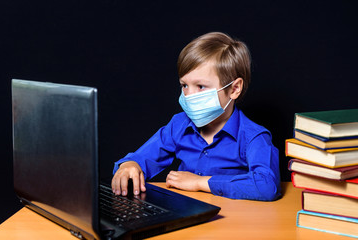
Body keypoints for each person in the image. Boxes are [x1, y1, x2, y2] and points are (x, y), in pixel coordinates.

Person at [111, 32, 281, 201]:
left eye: (200, 86)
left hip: (232, 221)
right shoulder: (179, 125)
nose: (189, 95)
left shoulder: (253, 137)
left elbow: (267, 185)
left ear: (234, 89)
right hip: (187, 216)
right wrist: (129, 165)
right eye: (184, 85)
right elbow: (142, 158)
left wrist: (201, 183)